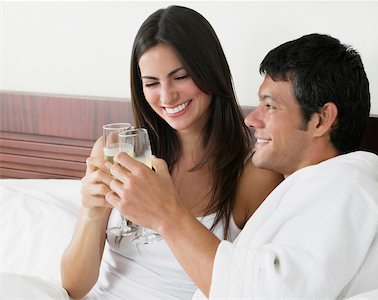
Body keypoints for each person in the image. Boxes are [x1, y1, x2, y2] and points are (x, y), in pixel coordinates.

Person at [105, 33, 378, 299]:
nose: (252, 119)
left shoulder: (348, 192)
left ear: (321, 119)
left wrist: (167, 216)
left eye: (270, 105)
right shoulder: (311, 191)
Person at [60, 6, 283, 300]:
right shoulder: (117, 153)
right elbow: (74, 287)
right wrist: (91, 212)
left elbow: (250, 290)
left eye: (180, 77)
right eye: (151, 83)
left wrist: (166, 213)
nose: (166, 97)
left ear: (209, 71)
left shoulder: (253, 176)